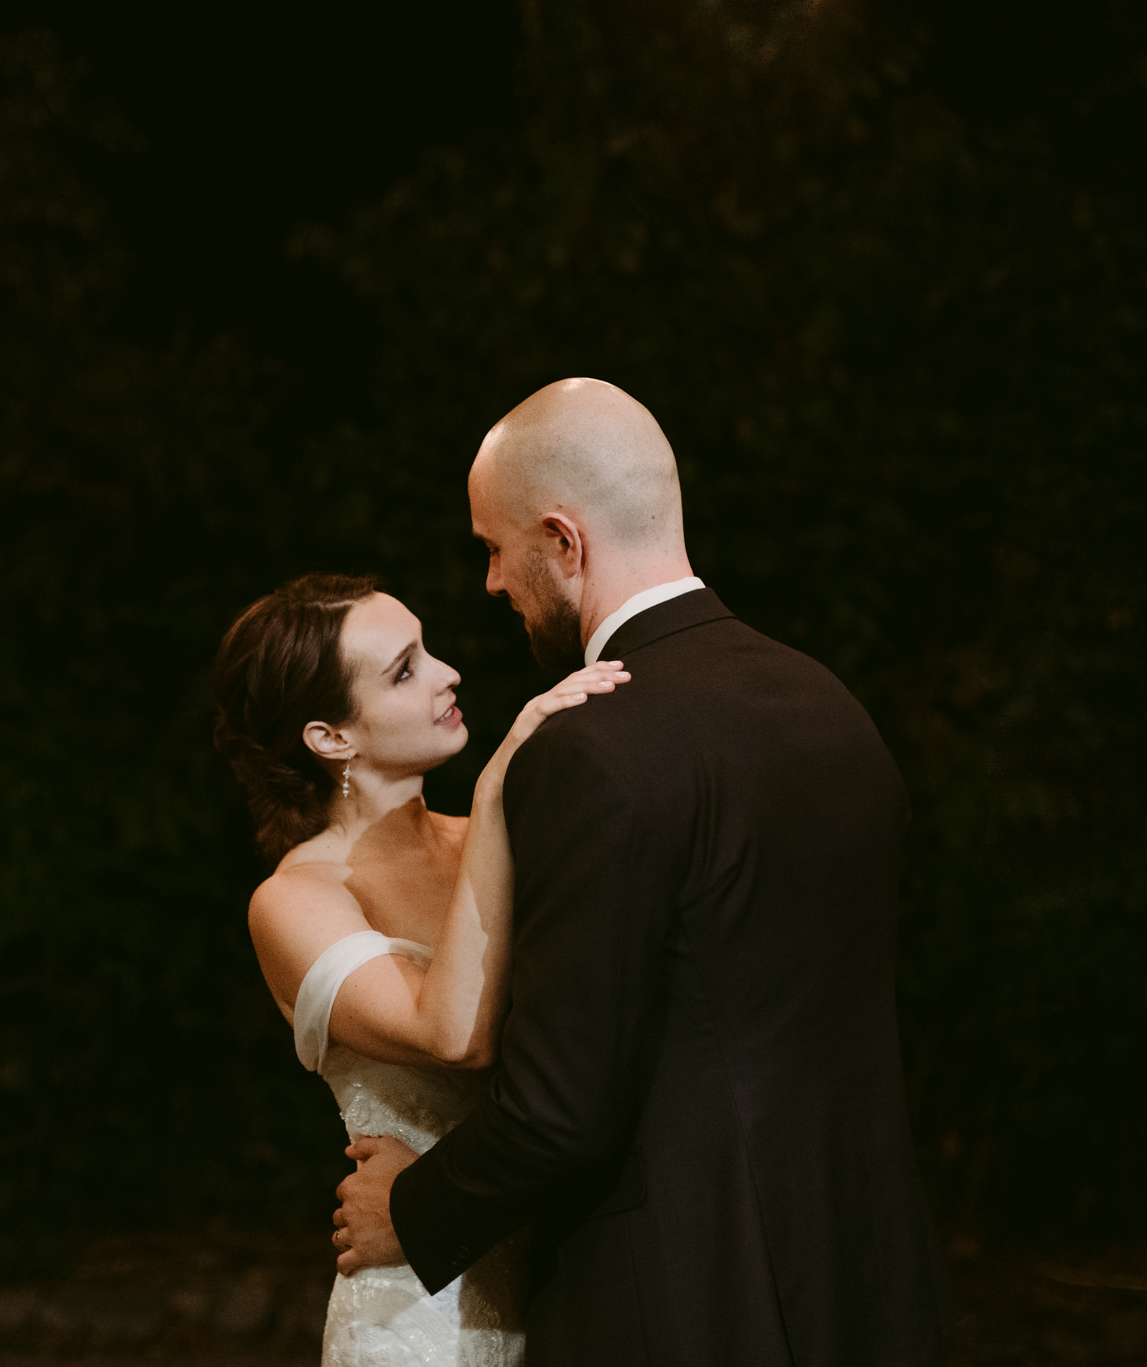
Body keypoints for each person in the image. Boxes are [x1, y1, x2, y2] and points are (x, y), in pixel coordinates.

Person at [331, 378, 950, 1366]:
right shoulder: (831, 706)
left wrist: (412, 1205)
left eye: (495, 547)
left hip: (680, 1298)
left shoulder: (590, 749)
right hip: (860, 1275)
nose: (490, 583)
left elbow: (558, 1103)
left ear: (563, 541)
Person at [212, 571, 631, 1366]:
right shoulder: (297, 899)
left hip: (566, 1283)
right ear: (330, 737)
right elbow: (454, 1036)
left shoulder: (483, 834)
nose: (449, 673)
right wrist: (502, 778)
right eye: (405, 669)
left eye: (428, 650)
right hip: (422, 1317)